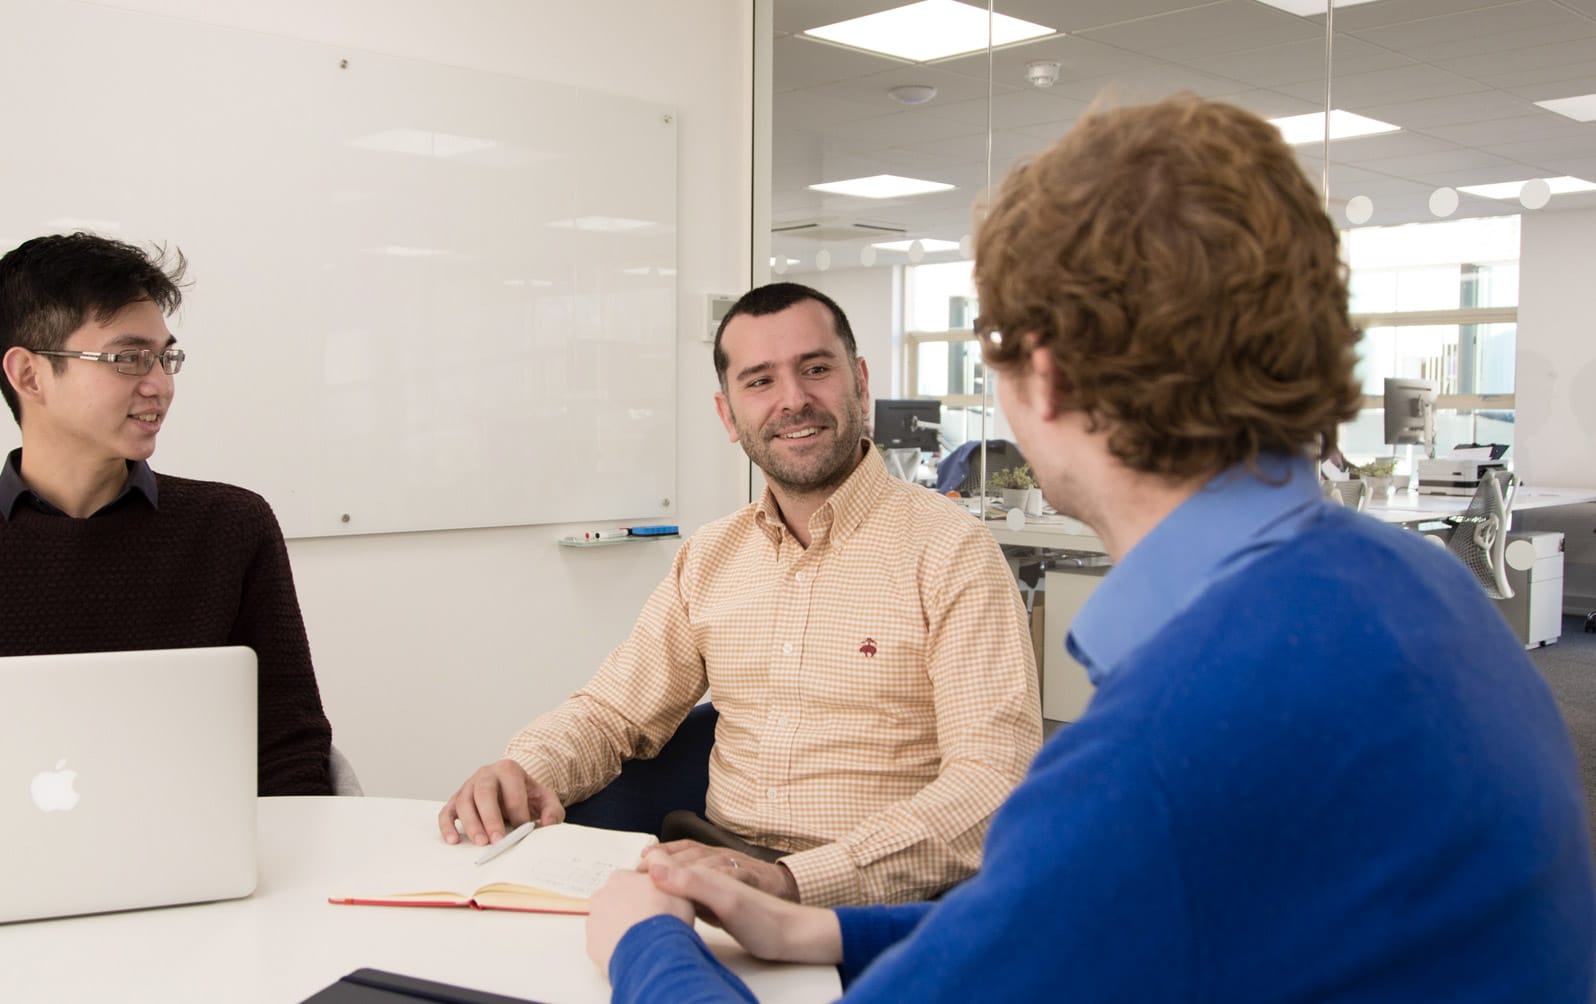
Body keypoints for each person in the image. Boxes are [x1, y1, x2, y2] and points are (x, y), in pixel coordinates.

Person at [584, 95, 1596, 1000]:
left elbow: (1096, 860)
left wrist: (644, 944)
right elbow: (1067, 918)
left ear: (1049, 379)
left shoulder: (1162, 745)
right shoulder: (1420, 586)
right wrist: (829, 929)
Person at [440, 281, 1041, 907]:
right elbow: (612, 713)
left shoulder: (952, 552)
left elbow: (993, 785)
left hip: (877, 911)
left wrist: (792, 882)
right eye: (760, 381)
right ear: (728, 415)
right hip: (715, 880)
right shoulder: (711, 556)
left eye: (816, 369)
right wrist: (524, 770)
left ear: (860, 382)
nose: (794, 400)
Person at [0, 232, 333, 796]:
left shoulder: (230, 526)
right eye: (128, 359)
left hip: (203, 844)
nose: (160, 385)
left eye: (165, 358)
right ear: (29, 375)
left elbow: (288, 746)